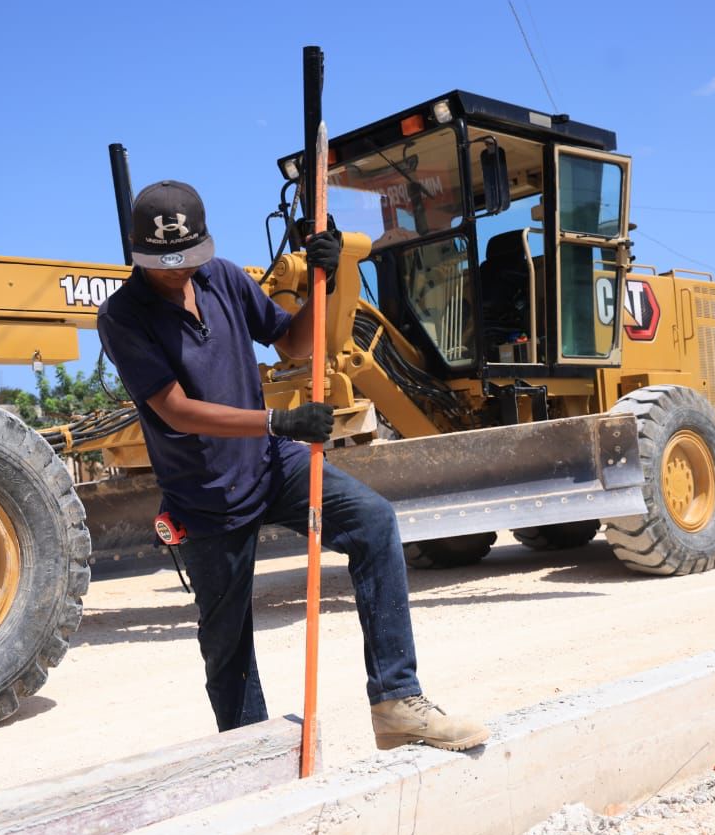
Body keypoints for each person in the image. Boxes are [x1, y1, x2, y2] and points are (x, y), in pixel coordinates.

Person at [96, 179, 488, 752]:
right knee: (227, 643)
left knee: (374, 523)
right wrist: (277, 423)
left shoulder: (222, 277)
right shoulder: (122, 317)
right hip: (205, 494)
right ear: (138, 253)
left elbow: (293, 344)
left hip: (268, 462)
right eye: (164, 264)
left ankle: (397, 703)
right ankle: (252, 753)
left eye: (187, 260)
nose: (178, 272)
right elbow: (176, 411)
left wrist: (334, 276)